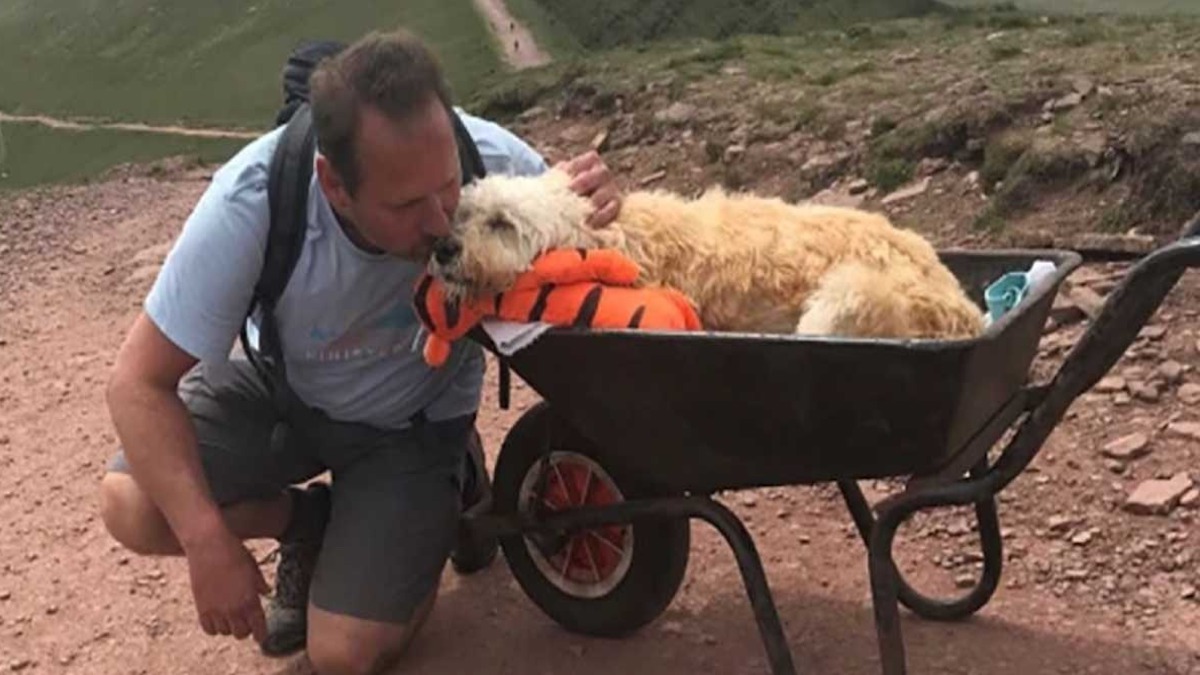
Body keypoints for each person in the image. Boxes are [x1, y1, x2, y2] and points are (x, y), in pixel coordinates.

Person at [97, 28, 622, 675]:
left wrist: (604, 208)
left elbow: (597, 259)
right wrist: (206, 539)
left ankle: (449, 475)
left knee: (345, 655)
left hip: (412, 424)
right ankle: (308, 520)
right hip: (286, 396)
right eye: (405, 203)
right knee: (133, 505)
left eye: (449, 187)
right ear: (334, 183)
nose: (437, 223)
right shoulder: (255, 198)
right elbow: (137, 383)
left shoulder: (491, 156)